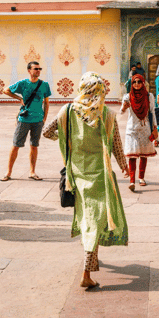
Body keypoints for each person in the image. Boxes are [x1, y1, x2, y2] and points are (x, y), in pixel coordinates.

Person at [42, 72, 129, 289]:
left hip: (76, 174)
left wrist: (67, 138)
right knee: (94, 220)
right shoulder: (105, 114)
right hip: (100, 174)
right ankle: (87, 272)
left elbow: (47, 132)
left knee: (88, 216)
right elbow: (116, 144)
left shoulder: (68, 110)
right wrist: (125, 166)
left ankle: (91, 258)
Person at [1, 61, 51, 181]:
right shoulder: (23, 83)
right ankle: (8, 173)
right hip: (24, 119)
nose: (38, 71)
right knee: (16, 145)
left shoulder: (44, 85)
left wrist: (44, 118)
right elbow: (6, 90)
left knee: (34, 145)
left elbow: (47, 102)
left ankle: (32, 172)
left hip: (38, 120)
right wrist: (19, 98)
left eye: (40, 69)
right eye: (36, 69)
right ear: (29, 70)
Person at [120, 74, 158, 191]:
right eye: (134, 82)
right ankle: (132, 181)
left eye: (139, 82)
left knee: (143, 154)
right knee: (132, 155)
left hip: (145, 128)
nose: (136, 84)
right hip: (132, 129)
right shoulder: (127, 96)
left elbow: (152, 112)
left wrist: (155, 128)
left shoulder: (149, 96)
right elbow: (121, 112)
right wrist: (124, 108)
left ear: (143, 83)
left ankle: (141, 177)